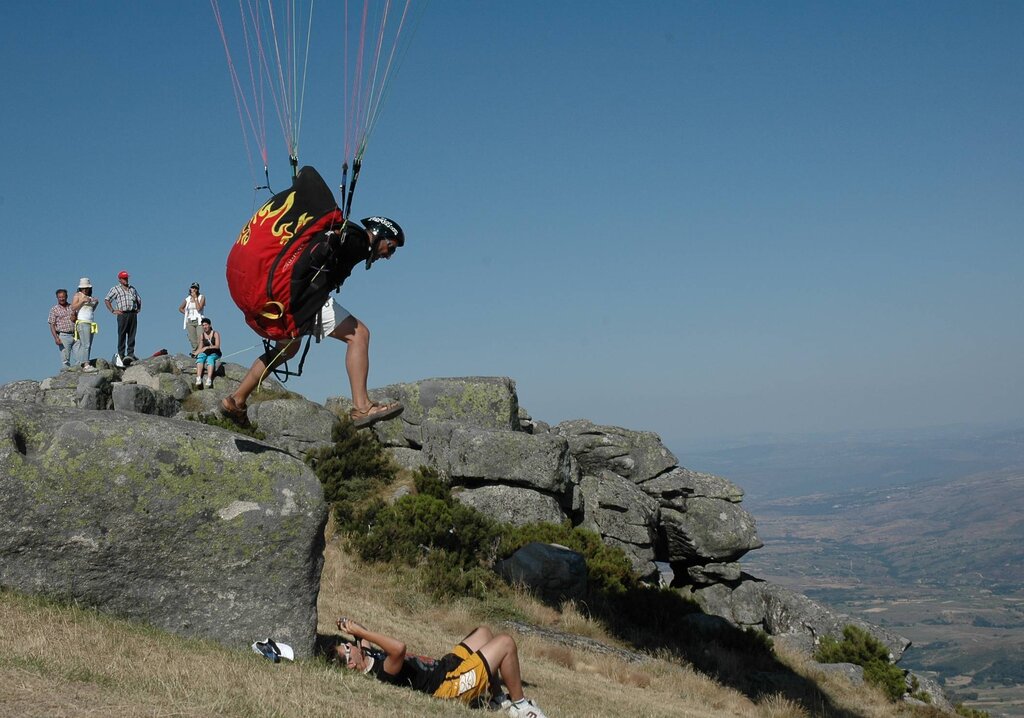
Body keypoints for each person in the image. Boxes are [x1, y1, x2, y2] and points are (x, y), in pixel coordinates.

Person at [221, 216, 405, 428]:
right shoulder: (358, 239)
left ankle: (236, 400)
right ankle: (362, 406)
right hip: (306, 300)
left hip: (289, 298)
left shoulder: (350, 234)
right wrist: (333, 242)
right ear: (379, 234)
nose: (389, 255)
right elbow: (329, 243)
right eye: (391, 247)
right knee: (359, 335)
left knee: (286, 351)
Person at [334, 617, 548, 718]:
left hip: (445, 667)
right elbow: (399, 649)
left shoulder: (367, 656)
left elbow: (363, 634)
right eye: (347, 647)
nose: (351, 644)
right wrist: (361, 634)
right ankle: (520, 707)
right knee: (506, 643)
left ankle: (497, 698)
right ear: (351, 664)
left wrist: (350, 626)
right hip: (447, 687)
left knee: (483, 632)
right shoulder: (382, 672)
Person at [104, 270, 142, 367]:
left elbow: (138, 298)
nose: (126, 280)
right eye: (124, 278)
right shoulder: (115, 289)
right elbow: (107, 299)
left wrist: (138, 308)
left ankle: (130, 353)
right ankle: (121, 354)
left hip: (132, 313)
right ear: (120, 279)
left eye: (126, 278)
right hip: (122, 314)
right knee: (122, 334)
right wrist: (113, 310)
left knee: (132, 334)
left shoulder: (132, 289)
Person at [70, 277, 99, 372]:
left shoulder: (90, 297)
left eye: (87, 288)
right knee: (85, 344)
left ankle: (85, 362)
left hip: (90, 322)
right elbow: (73, 307)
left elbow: (91, 310)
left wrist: (95, 303)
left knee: (88, 344)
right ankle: (85, 364)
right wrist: (82, 301)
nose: (85, 290)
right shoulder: (78, 295)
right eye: (83, 288)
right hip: (82, 322)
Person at [47, 288, 76, 369]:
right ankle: (66, 377)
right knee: (65, 359)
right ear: (57, 298)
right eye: (60, 297)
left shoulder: (72, 307)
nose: (62, 299)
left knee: (79, 357)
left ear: (66, 297)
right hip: (63, 335)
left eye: (63, 297)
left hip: (75, 334)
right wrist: (56, 338)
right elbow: (52, 324)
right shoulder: (54, 310)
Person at [178, 282, 206, 356]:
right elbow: (180, 308)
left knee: (200, 338)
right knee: (193, 339)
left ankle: (201, 354)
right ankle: (195, 353)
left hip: (199, 320)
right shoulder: (187, 299)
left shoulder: (201, 297)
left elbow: (199, 308)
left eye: (195, 288)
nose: (194, 289)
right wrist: (187, 314)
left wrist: (195, 298)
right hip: (190, 321)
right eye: (192, 288)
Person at [194, 317, 222, 388]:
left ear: (210, 325)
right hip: (206, 352)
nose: (204, 327)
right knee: (200, 357)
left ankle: (209, 379)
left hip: (215, 352)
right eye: (203, 325)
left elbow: (217, 346)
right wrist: (195, 353)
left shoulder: (215, 333)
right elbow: (200, 348)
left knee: (210, 359)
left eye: (206, 325)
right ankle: (198, 378)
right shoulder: (202, 335)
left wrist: (207, 347)